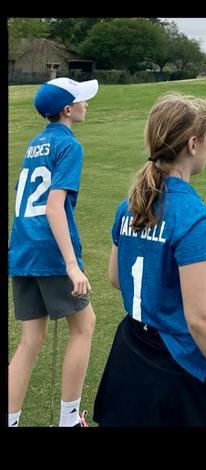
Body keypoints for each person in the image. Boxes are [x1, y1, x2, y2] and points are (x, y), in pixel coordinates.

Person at [93, 92, 206, 427]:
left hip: (130, 351)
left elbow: (116, 277)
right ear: (193, 144)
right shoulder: (192, 215)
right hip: (177, 368)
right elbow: (200, 318)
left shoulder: (129, 205)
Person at [8, 77, 99, 427]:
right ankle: (69, 420)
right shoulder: (69, 145)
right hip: (49, 251)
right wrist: (72, 265)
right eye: (81, 100)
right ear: (67, 110)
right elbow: (53, 206)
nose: (86, 104)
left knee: (31, 339)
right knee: (84, 325)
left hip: (23, 249)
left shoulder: (35, 144)